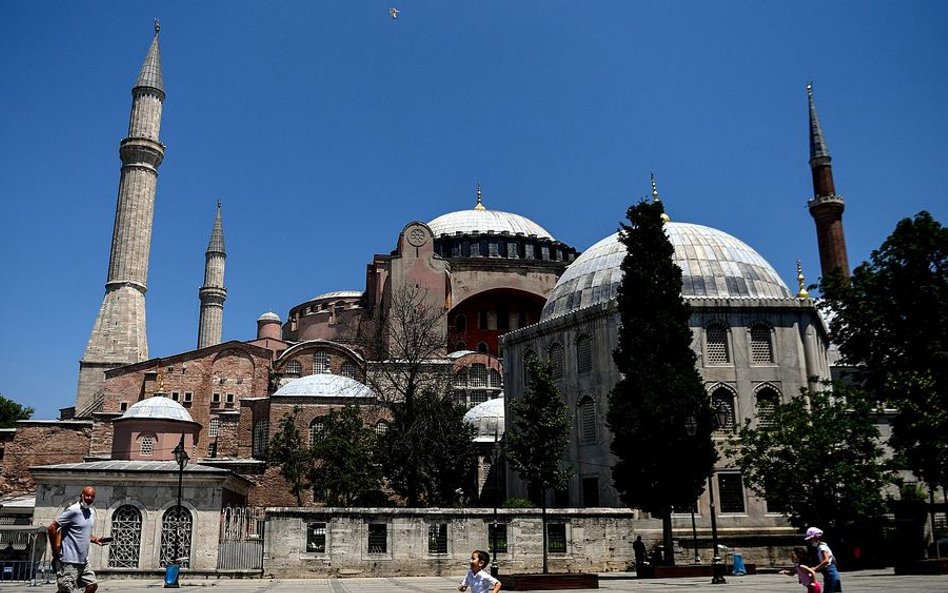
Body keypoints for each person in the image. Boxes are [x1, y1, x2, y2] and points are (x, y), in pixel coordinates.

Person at [47, 486, 109, 593]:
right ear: (82, 496)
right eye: (87, 495)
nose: (89, 498)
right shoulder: (73, 510)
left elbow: (83, 532)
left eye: (92, 496)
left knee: (92, 586)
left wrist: (96, 539)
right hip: (69, 560)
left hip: (83, 561)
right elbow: (52, 527)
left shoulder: (91, 513)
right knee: (66, 590)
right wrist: (55, 549)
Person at [805, 527, 842, 592]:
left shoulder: (822, 547)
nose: (810, 541)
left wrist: (815, 568)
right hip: (829, 575)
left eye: (811, 539)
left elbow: (826, 561)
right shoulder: (821, 546)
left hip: (830, 574)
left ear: (816, 537)